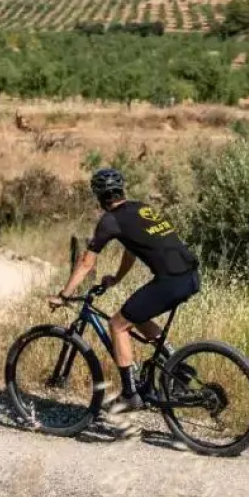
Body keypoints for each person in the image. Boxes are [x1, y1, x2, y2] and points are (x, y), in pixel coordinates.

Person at [53, 168, 199, 417]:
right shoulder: (142, 208)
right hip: (191, 276)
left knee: (118, 324)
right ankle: (178, 366)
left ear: (99, 196)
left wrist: (64, 294)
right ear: (122, 190)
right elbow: (131, 249)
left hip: (170, 281)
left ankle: (130, 395)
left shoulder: (110, 220)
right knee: (137, 316)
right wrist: (116, 279)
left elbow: (86, 263)